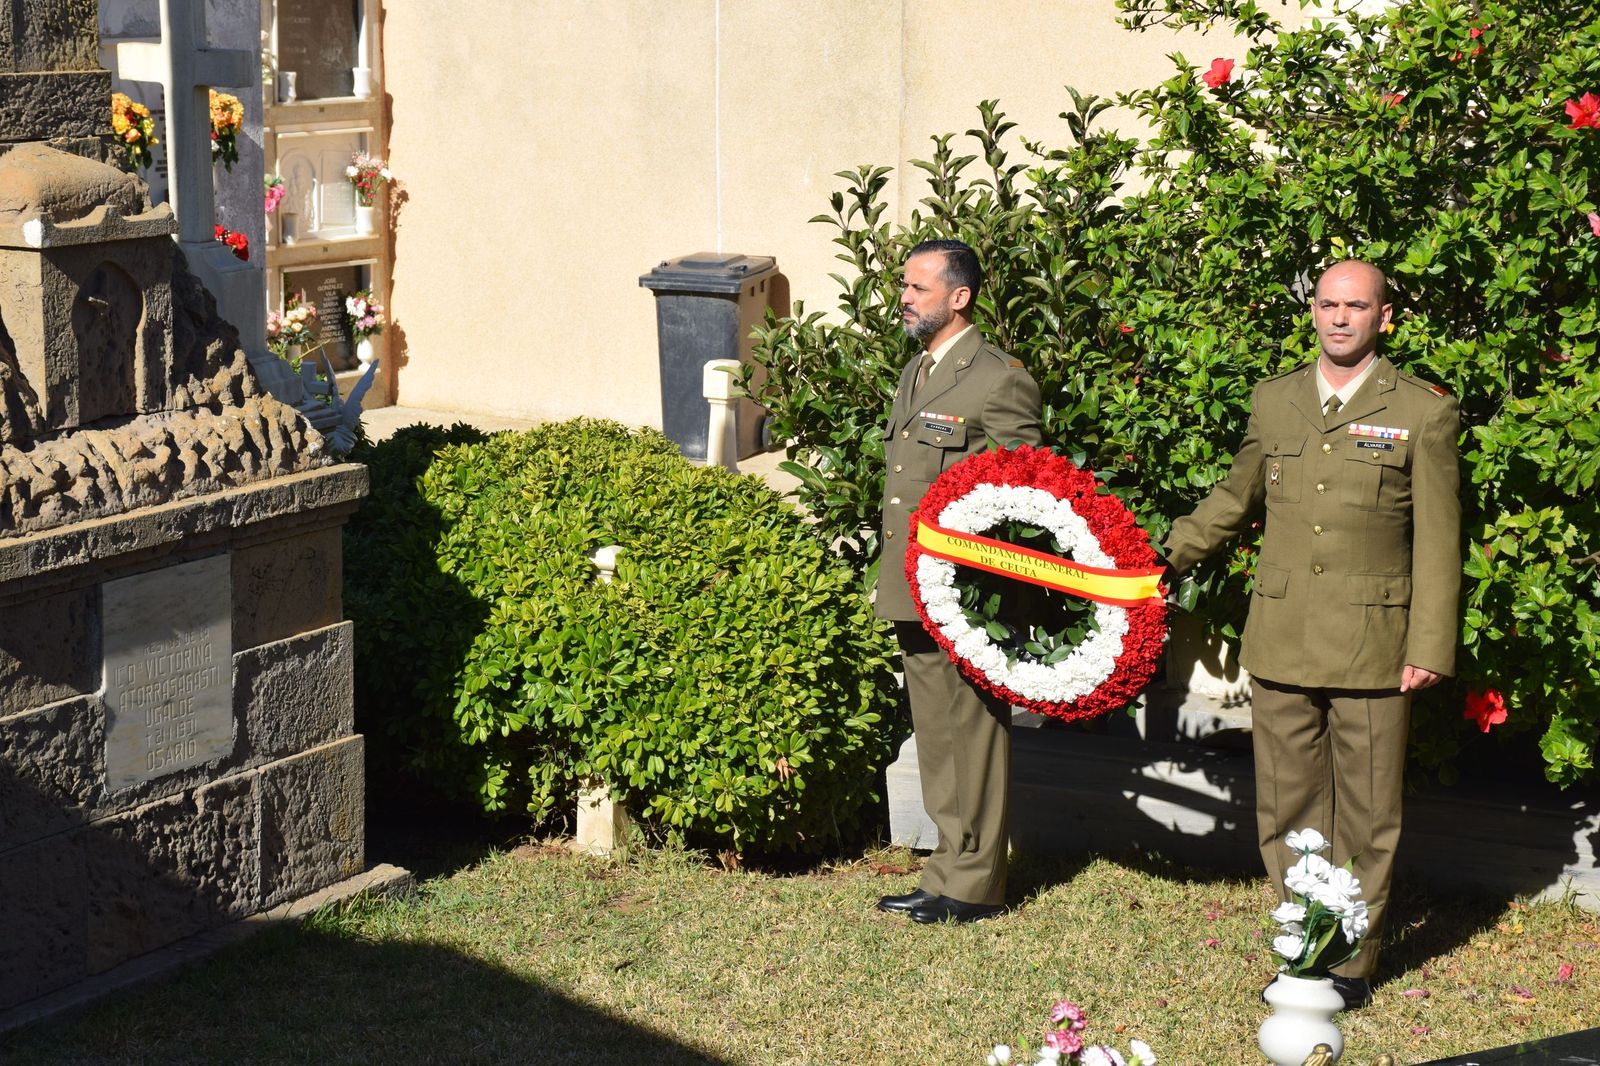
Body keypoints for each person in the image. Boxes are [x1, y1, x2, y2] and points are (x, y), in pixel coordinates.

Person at [1162, 260, 1461, 1008]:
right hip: (1284, 636)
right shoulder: (1276, 400)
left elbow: (1439, 540)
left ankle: (1349, 964)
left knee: (1366, 813)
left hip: (1374, 646)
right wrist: (1157, 559)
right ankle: (1303, 946)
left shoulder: (1422, 411)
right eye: (1327, 304)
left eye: (1355, 306)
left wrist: (1429, 644)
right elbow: (1234, 500)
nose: (1338, 318)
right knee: (1288, 808)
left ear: (1383, 318)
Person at [874, 239, 1042, 924]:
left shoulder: (997, 377)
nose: (905, 298)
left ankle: (976, 882)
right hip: (914, 583)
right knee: (937, 733)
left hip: (968, 590)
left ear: (959, 297)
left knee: (972, 733)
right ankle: (948, 868)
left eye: (918, 287)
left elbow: (1029, 491)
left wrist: (981, 577)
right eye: (906, 286)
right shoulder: (920, 369)